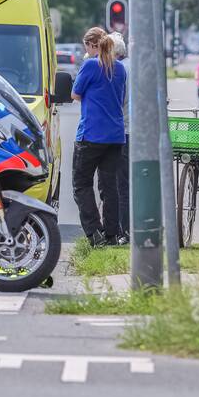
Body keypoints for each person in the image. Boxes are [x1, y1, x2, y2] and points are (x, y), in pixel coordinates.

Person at [71, 27, 127, 248]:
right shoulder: (120, 68)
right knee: (109, 186)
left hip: (91, 134)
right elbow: (120, 99)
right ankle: (112, 234)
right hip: (115, 135)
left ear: (91, 45)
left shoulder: (91, 65)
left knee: (81, 184)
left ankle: (94, 232)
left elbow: (75, 93)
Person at [108, 31, 130, 243]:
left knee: (120, 184)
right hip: (136, 132)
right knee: (130, 182)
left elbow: (118, 100)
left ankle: (124, 231)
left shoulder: (119, 70)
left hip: (122, 130)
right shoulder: (133, 66)